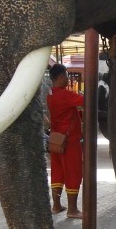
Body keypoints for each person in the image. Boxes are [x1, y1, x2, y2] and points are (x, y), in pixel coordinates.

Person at [46, 63, 84, 219]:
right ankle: (73, 209)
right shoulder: (65, 95)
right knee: (73, 172)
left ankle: (56, 205)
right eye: (67, 76)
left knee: (57, 172)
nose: (68, 79)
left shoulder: (50, 95)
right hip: (69, 140)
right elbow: (85, 100)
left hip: (55, 139)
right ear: (61, 77)